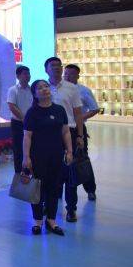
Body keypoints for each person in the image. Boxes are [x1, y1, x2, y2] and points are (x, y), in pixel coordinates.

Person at [23, 79, 73, 236]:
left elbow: (65, 132)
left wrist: (69, 151)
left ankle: (51, 220)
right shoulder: (32, 112)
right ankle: (37, 221)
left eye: (46, 86)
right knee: (37, 189)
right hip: (37, 157)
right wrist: (26, 157)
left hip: (56, 156)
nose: (44, 89)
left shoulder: (59, 110)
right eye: (40, 88)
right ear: (35, 94)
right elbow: (27, 136)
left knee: (54, 188)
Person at [45, 57, 84, 222]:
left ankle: (71, 209)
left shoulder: (71, 88)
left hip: (70, 133)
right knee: (49, 173)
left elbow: (78, 114)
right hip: (48, 135)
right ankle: (49, 206)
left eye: (58, 65)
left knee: (69, 173)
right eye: (52, 65)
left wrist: (80, 135)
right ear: (46, 69)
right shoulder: (42, 87)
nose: (56, 68)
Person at [63, 64, 98, 201]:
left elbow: (94, 108)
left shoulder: (83, 91)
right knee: (61, 160)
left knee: (81, 159)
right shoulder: (59, 89)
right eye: (66, 73)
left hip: (77, 128)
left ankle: (90, 189)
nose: (67, 76)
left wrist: (80, 118)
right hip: (61, 129)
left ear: (77, 75)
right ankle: (59, 191)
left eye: (71, 74)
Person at [7, 65, 33, 173]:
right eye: (25, 74)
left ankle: (31, 172)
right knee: (18, 148)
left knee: (31, 148)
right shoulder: (13, 90)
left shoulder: (32, 89)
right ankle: (19, 173)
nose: (28, 76)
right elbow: (12, 106)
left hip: (31, 123)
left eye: (29, 74)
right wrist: (23, 119)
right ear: (18, 76)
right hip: (18, 123)